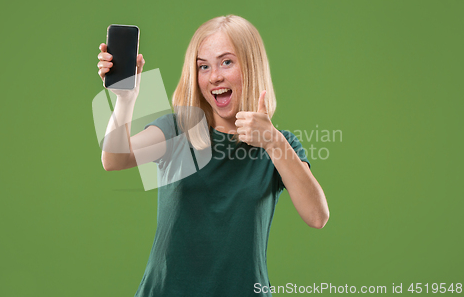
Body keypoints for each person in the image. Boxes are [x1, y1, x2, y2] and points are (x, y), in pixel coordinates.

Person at [96, 15, 329, 297]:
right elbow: (114, 160)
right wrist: (125, 99)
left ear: (252, 67)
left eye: (226, 62)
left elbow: (317, 216)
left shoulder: (280, 146)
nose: (214, 76)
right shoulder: (177, 130)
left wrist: (272, 141)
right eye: (203, 66)